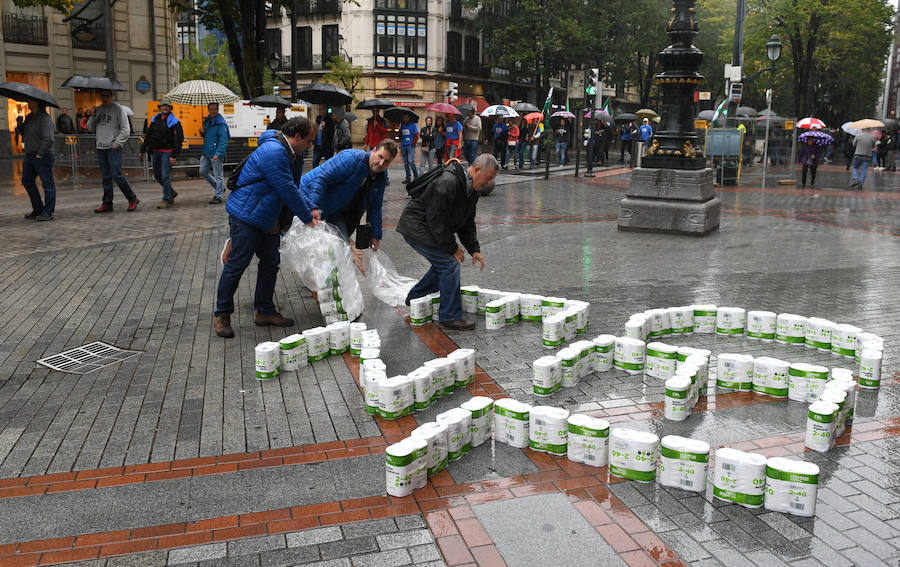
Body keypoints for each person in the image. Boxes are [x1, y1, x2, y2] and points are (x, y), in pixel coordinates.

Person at [214, 117, 318, 338]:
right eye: (309, 140)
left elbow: (294, 187)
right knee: (236, 266)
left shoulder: (292, 154)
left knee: (271, 263)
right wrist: (307, 216)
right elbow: (287, 188)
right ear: (297, 136)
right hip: (247, 216)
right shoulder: (275, 152)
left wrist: (312, 207)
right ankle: (222, 313)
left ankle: (264, 311)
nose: (310, 145)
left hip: (268, 218)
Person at [397, 153, 499, 331]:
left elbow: (467, 222)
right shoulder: (448, 182)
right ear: (476, 170)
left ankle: (414, 297)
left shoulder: (472, 190)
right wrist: (452, 248)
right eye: (488, 177)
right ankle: (449, 316)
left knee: (442, 265)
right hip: (417, 228)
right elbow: (437, 221)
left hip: (431, 228)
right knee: (449, 264)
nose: (489, 183)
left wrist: (474, 249)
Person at [301, 138, 398, 251]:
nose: (381, 163)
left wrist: (375, 235)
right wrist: (313, 207)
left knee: (341, 248)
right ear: (374, 150)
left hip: (336, 210)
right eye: (380, 157)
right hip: (309, 199)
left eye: (386, 161)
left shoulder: (381, 177)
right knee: (309, 246)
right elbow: (321, 179)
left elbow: (375, 206)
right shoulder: (352, 159)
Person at [88, 90, 140, 213]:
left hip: (113, 148)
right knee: (106, 177)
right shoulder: (98, 109)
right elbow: (90, 128)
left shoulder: (118, 109)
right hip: (101, 147)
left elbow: (126, 129)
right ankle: (107, 203)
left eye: (107, 96)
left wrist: (117, 143)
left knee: (116, 174)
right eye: (103, 96)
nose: (105, 98)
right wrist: (92, 116)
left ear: (112, 96)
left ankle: (132, 198)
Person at [140, 98, 184, 209]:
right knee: (157, 175)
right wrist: (142, 149)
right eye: (163, 105)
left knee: (165, 176)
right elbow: (149, 136)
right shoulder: (155, 120)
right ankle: (171, 192)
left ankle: (166, 199)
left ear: (170, 108)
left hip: (167, 153)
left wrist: (174, 155)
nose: (165, 107)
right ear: (159, 108)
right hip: (155, 152)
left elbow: (178, 139)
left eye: (167, 106)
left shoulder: (174, 122)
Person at [21, 100, 56, 221]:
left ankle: (48, 211)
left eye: (30, 101)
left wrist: (40, 154)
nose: (28, 103)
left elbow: (49, 138)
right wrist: (20, 124)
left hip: (42, 156)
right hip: (29, 155)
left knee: (47, 183)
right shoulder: (30, 117)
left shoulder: (45, 119)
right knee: (26, 180)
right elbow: (24, 133)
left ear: (36, 103)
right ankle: (38, 209)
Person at [200, 102, 230, 204]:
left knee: (218, 175)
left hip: (215, 153)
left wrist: (218, 153)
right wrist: (202, 132)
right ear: (208, 110)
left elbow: (224, 140)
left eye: (214, 109)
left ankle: (218, 196)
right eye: (211, 109)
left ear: (218, 110)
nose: (212, 111)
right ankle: (220, 188)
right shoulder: (207, 121)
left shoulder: (221, 123)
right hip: (206, 151)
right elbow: (206, 137)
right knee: (203, 171)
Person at [398, 113, 419, 183]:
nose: (405, 119)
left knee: (411, 161)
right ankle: (408, 177)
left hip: (410, 146)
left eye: (407, 118)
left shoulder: (413, 125)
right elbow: (400, 136)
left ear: (409, 118)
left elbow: (416, 135)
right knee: (405, 163)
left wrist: (413, 143)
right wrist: (399, 129)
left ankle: (416, 176)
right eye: (404, 118)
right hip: (403, 145)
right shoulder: (402, 125)